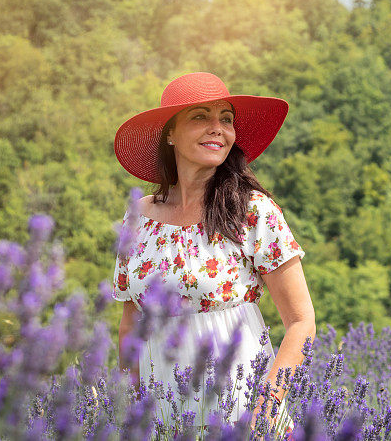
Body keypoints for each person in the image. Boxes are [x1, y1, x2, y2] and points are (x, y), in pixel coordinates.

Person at [111, 72, 315, 436]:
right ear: (170, 133)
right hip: (163, 412)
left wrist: (266, 408)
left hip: (241, 407)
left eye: (225, 119)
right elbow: (131, 323)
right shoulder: (137, 217)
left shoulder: (253, 211)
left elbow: (302, 322)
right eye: (200, 117)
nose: (217, 128)